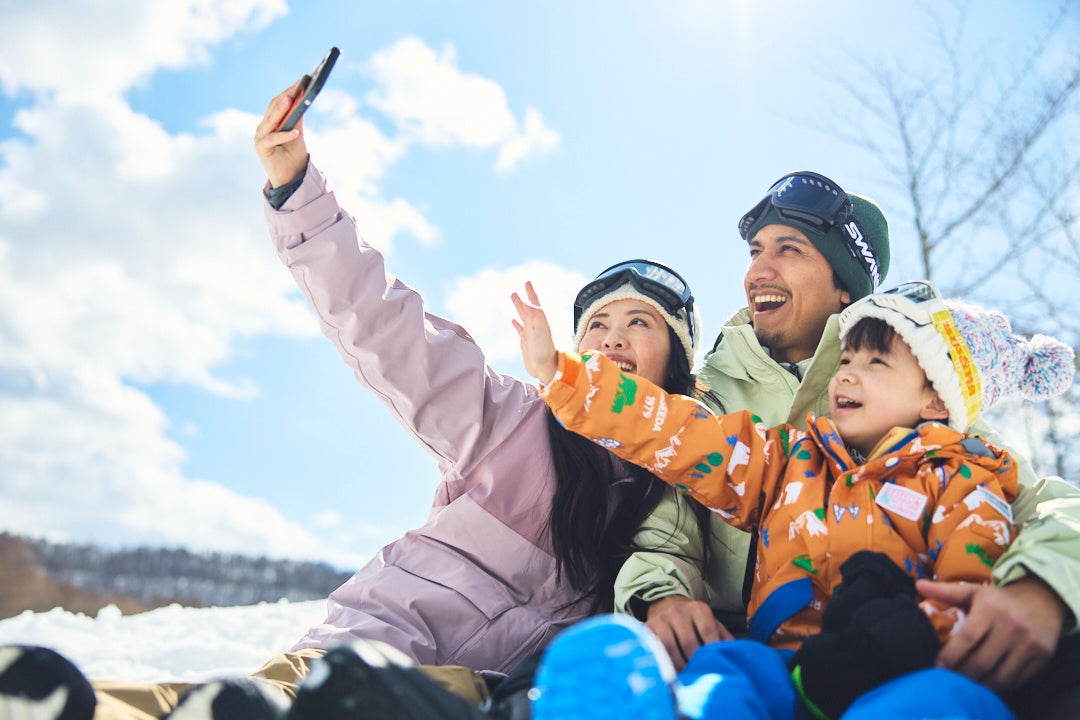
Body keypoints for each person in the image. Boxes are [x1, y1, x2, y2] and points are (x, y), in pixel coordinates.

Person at [49, 81, 708, 720]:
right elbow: (384, 324)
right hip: (369, 654)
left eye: (639, 324)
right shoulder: (512, 421)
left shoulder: (677, 499)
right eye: (597, 325)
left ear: (677, 362)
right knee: (243, 708)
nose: (613, 338)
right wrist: (295, 189)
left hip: (472, 696)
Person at [611, 170, 1080, 708]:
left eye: (788, 250)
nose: (757, 271)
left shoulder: (914, 394)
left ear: (844, 286)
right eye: (755, 250)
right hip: (746, 652)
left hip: (894, 647)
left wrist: (1043, 588)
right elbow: (663, 532)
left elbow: (1051, 505)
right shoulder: (706, 397)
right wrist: (661, 598)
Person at [515, 279, 1075, 719]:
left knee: (947, 703)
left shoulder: (964, 481)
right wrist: (563, 376)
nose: (846, 376)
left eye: (875, 363)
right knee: (726, 667)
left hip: (902, 665)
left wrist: (904, 639)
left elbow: (970, 586)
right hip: (785, 662)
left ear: (935, 398)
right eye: (847, 360)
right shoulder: (788, 460)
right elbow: (680, 434)